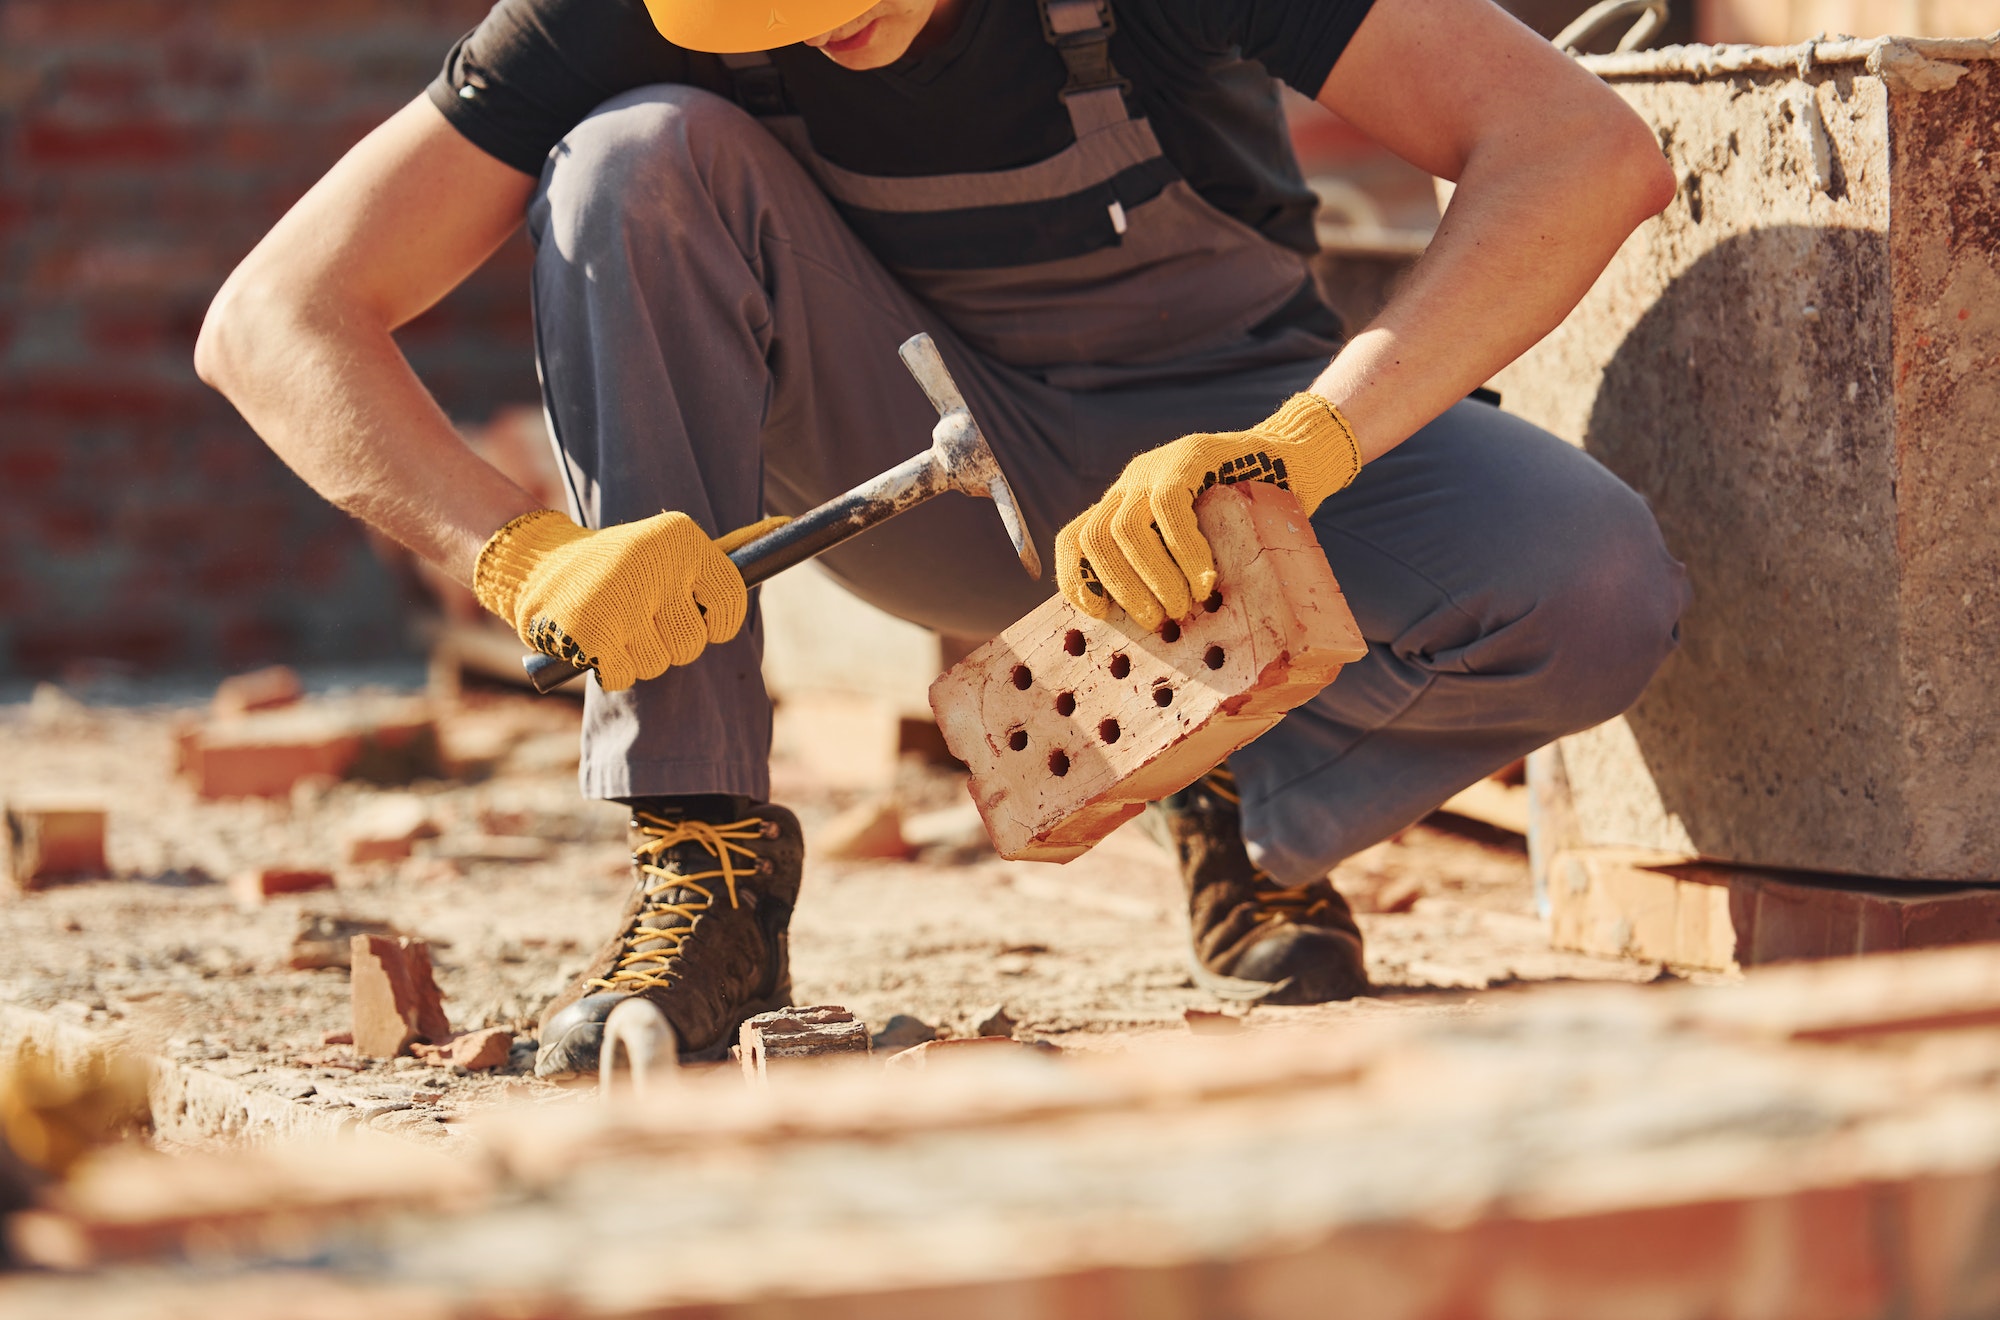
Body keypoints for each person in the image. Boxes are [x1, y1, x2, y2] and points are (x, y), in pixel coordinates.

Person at [197, 0, 1689, 1076]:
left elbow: (1579, 145)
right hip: (932, 472)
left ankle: (1226, 769)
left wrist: (1302, 443)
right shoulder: (623, 14)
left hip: (1230, 460)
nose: (814, 36)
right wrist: (515, 557)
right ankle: (703, 858)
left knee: (1596, 583)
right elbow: (273, 319)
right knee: (629, 159)